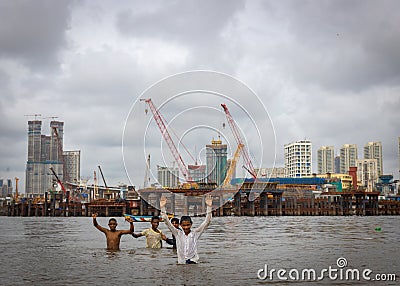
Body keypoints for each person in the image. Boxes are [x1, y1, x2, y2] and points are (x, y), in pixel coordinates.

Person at [160, 194, 212, 264]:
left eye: (188, 225)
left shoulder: (195, 233)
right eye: (184, 225)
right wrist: (162, 208)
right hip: (182, 263)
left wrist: (209, 207)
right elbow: (167, 222)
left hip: (193, 262)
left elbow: (207, 222)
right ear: (180, 225)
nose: (186, 227)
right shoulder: (178, 233)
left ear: (191, 224)